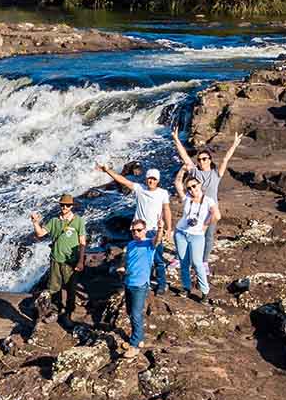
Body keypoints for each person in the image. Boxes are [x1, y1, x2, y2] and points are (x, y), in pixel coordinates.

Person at [171, 123, 243, 274]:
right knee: (188, 232)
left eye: (205, 159)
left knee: (208, 235)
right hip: (195, 207)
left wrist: (235, 144)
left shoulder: (216, 174)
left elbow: (225, 160)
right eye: (200, 159)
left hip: (211, 209)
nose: (202, 161)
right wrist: (176, 139)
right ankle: (180, 258)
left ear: (210, 160)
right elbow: (184, 157)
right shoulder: (195, 172)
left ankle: (204, 262)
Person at [97, 163, 172, 293]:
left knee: (158, 259)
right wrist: (107, 170)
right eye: (149, 178)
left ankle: (161, 284)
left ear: (158, 180)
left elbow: (167, 210)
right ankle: (142, 282)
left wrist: (169, 228)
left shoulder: (163, 193)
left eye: (154, 179)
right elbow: (123, 180)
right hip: (138, 231)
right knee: (137, 258)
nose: (151, 181)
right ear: (146, 179)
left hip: (153, 230)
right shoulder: (139, 188)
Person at [31, 194, 86, 327]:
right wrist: (35, 222)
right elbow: (40, 234)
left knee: (71, 289)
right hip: (56, 260)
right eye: (62, 205)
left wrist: (80, 261)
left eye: (67, 205)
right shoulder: (54, 221)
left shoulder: (78, 221)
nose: (64, 207)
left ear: (72, 206)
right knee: (53, 287)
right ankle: (56, 311)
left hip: (71, 262)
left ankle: (69, 313)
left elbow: (82, 242)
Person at [173, 166, 222, 302]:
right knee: (183, 262)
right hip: (181, 233)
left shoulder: (208, 200)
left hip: (196, 236)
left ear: (199, 185)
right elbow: (177, 183)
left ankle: (205, 291)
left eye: (194, 186)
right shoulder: (187, 198)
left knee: (197, 263)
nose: (192, 190)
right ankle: (186, 287)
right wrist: (182, 170)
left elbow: (217, 215)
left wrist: (205, 225)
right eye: (189, 188)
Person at [117, 218, 156, 358]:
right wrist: (122, 268)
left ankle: (134, 346)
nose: (136, 233)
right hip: (129, 282)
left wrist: (163, 228)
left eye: (139, 230)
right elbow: (127, 260)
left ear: (145, 230)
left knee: (136, 314)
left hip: (140, 285)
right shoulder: (131, 244)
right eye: (133, 230)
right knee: (130, 312)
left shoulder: (149, 243)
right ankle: (138, 338)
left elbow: (157, 240)